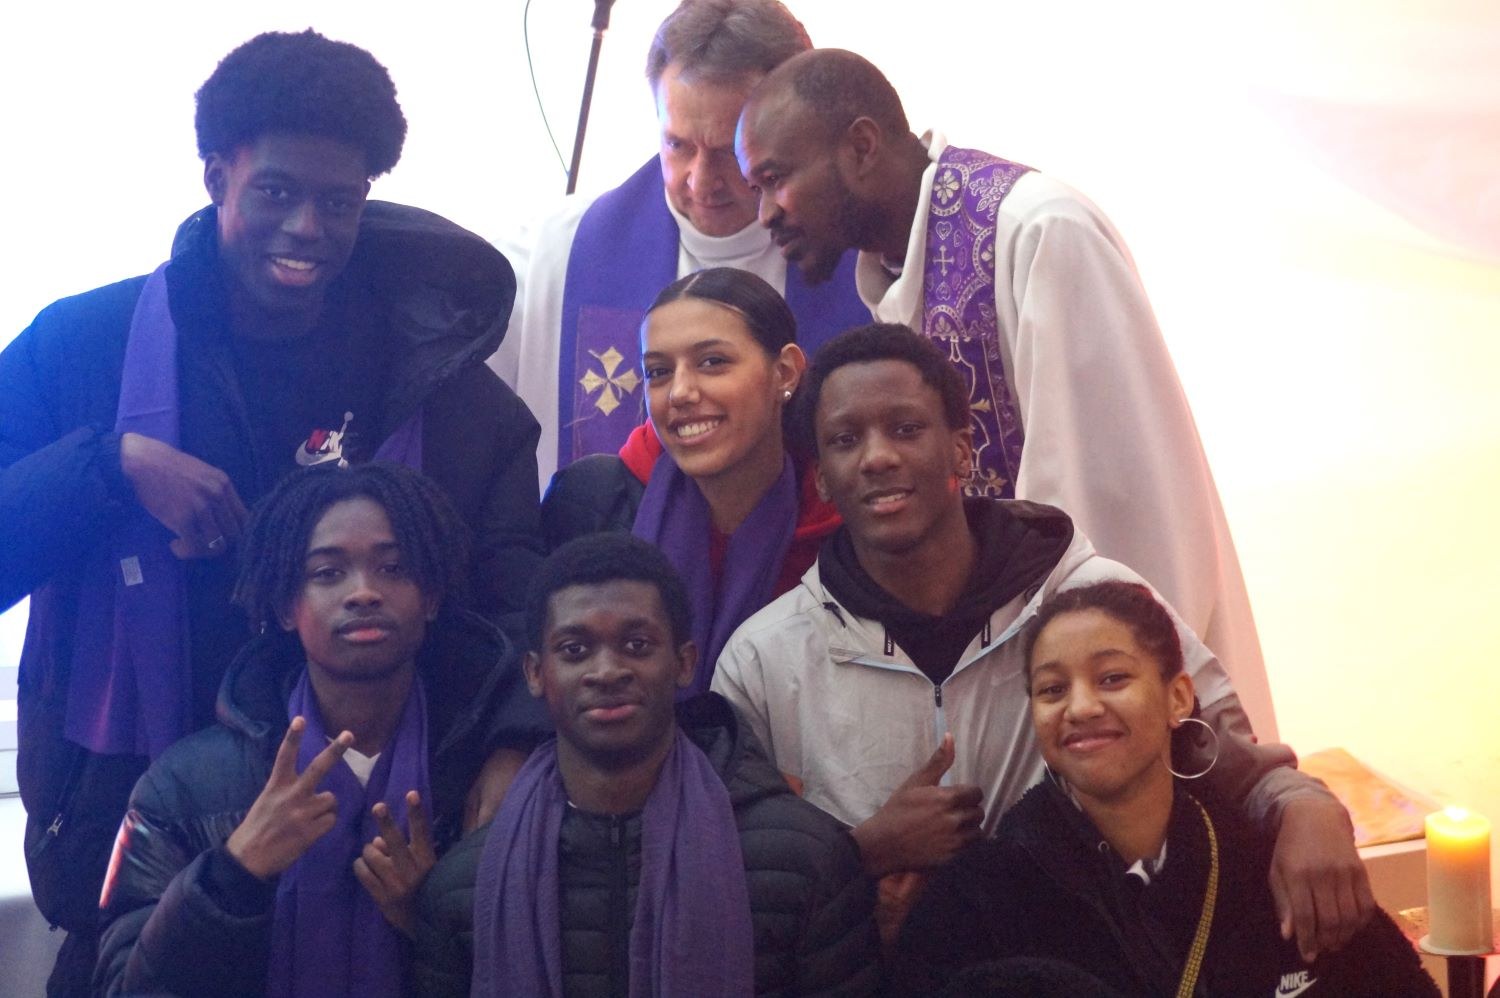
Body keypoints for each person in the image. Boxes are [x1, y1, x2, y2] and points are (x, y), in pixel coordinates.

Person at [0, 30, 542, 994]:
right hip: (133, 832)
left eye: (340, 202)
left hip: (392, 849)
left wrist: (513, 737)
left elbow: (514, 591)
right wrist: (109, 466)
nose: (307, 228)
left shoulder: (431, 372)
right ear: (217, 177)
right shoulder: (83, 348)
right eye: (277, 192)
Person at [713, 324, 1373, 959]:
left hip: (1095, 972)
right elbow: (735, 885)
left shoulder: (1097, 601)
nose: (878, 456)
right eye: (845, 439)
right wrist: (865, 852)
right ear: (822, 478)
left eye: (906, 428)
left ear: (962, 449)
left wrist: (1306, 807)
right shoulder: (764, 659)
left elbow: (1223, 759)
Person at [734, 48, 1277, 740]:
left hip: (1107, 701)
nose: (764, 214)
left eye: (774, 179)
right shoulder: (895, 272)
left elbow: (1103, 506)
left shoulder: (1037, 230)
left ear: (862, 147)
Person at [93, 462, 550, 997]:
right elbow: (121, 987)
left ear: (430, 598)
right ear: (287, 607)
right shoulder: (183, 786)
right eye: (328, 573)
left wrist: (429, 919)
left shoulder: (491, 781)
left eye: (393, 568)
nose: (364, 593)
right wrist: (234, 873)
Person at [890, 581, 1439, 997]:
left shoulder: (1275, 868)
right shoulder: (978, 901)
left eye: (1112, 678)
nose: (1081, 707)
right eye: (1052, 689)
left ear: (1178, 698)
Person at [413, 532, 879, 996]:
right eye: (575, 650)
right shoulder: (464, 887)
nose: (607, 671)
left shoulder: (804, 860)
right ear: (536, 674)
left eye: (637, 645)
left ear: (684, 663)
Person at [489, 0, 868, 484]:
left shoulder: (867, 268)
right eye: (678, 145)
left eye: (728, 150)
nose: (701, 180)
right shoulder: (550, 257)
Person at [541, 267, 839, 688]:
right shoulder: (593, 500)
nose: (680, 392)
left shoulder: (841, 522)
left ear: (786, 372)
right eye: (658, 372)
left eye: (712, 362)